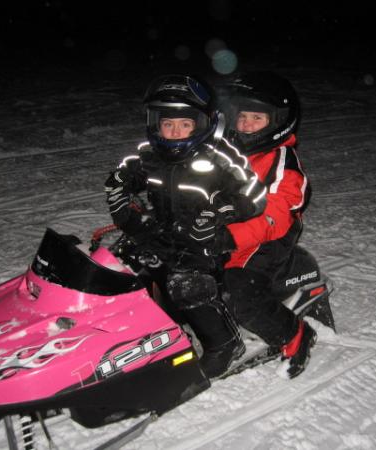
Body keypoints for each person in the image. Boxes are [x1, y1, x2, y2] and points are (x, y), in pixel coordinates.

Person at [104, 74, 268, 378]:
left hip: (207, 238)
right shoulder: (149, 155)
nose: (175, 132)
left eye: (184, 124)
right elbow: (126, 173)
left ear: (201, 124)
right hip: (163, 230)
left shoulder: (218, 156)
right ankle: (129, 331)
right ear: (155, 124)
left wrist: (223, 210)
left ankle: (225, 343)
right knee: (118, 262)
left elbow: (254, 193)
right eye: (168, 124)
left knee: (185, 281)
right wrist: (118, 187)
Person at [218, 71, 317, 378]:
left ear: (277, 121)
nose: (246, 125)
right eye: (242, 117)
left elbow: (273, 218)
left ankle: (294, 335)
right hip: (228, 229)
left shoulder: (283, 164)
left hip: (268, 238)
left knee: (239, 294)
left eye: (256, 118)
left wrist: (227, 238)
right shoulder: (230, 152)